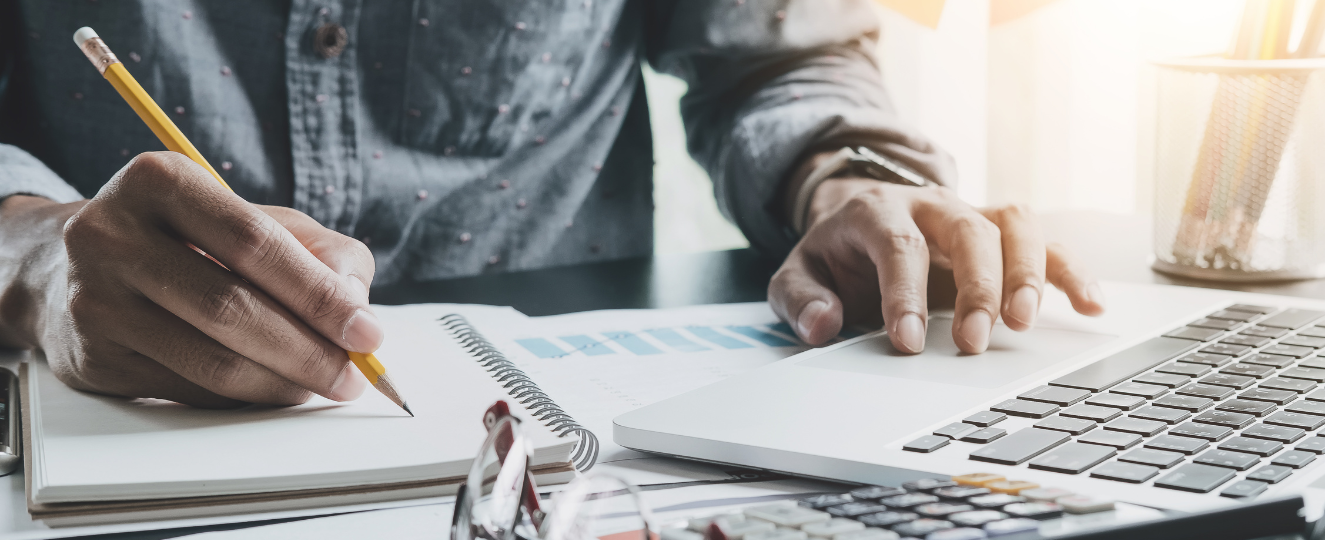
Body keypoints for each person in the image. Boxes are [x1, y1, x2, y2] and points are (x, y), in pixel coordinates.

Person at [0, 1, 1103, 408]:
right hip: (94, 411)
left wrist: (849, 173)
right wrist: (35, 254)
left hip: (577, 456)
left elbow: (770, 58)